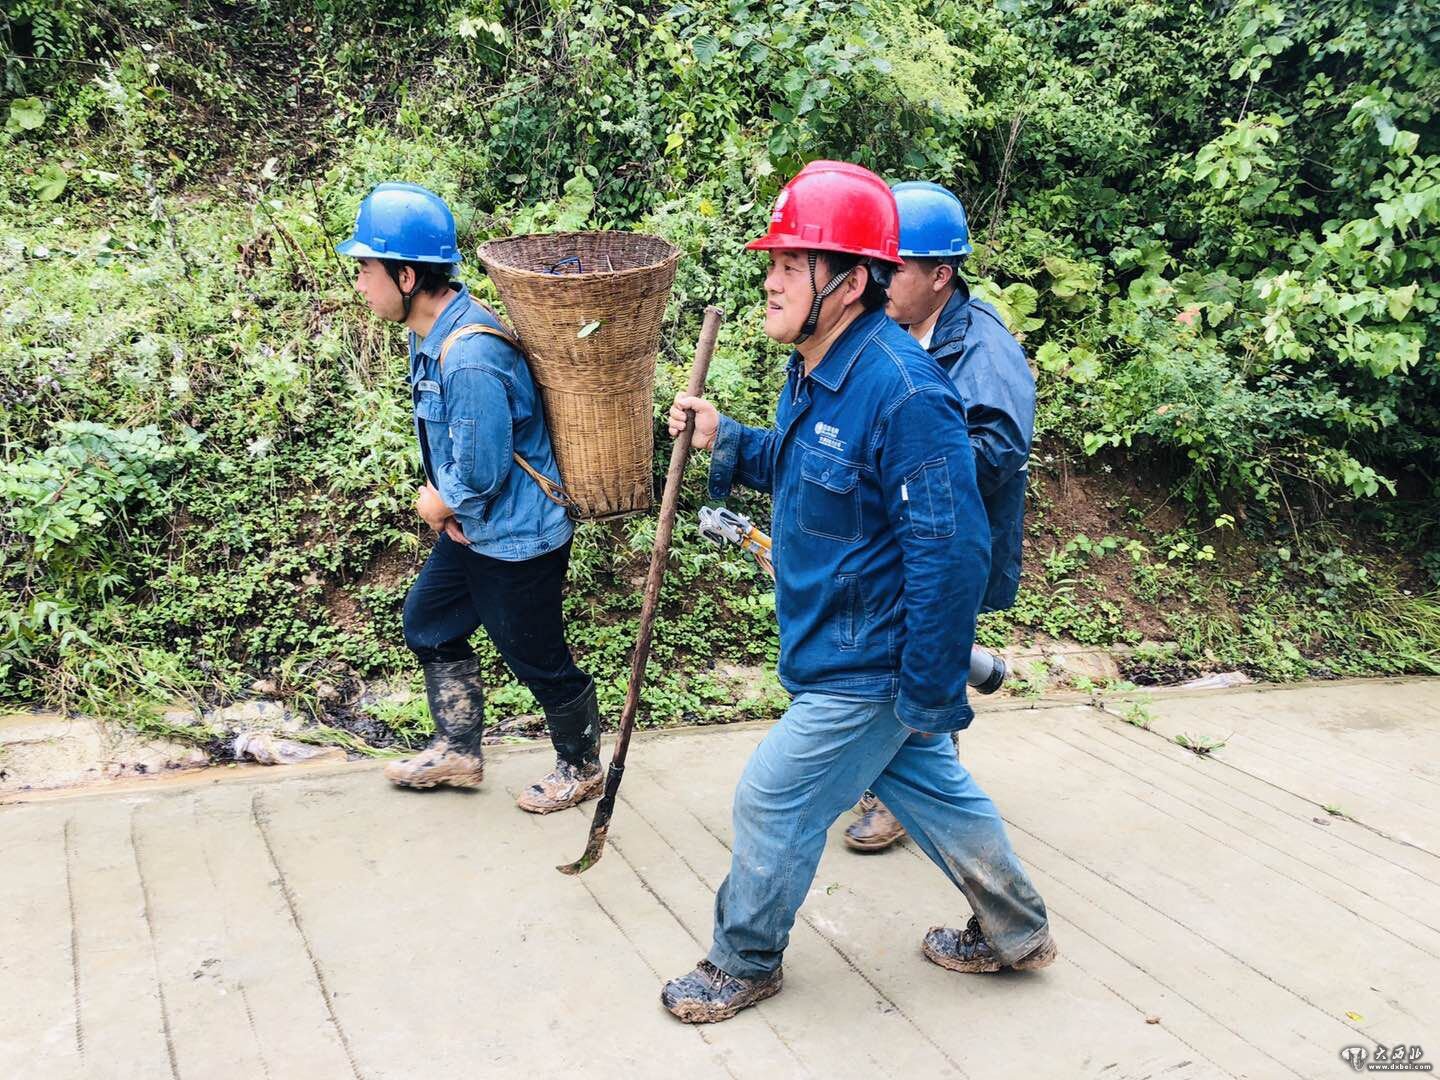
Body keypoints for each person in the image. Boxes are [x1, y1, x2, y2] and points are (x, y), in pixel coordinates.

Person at [658, 162, 1054, 1024]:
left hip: (870, 656)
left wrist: (927, 686)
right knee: (933, 792)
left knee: (773, 796)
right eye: (774, 261)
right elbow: (808, 470)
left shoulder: (907, 394)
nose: (771, 280)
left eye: (791, 264)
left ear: (849, 283)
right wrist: (730, 439)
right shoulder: (815, 367)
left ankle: (742, 960)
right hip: (831, 636)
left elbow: (953, 554)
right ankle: (1016, 931)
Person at [339, 182, 602, 813]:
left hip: (516, 536)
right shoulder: (429, 333)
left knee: (536, 657)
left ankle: (583, 765)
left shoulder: (470, 356)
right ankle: (458, 749)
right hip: (475, 526)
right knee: (428, 621)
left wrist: (441, 503)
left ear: (406, 277)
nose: (359, 283)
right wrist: (453, 508)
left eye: (366, 268)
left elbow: (482, 471)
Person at [844, 180, 1037, 853]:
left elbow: (999, 448)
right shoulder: (893, 330)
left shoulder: (983, 348)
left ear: (940, 275)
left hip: (946, 542)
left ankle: (916, 794)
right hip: (900, 537)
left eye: (895, 269)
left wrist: (907, 476)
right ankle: (899, 778)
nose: (880, 281)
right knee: (893, 653)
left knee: (922, 656)